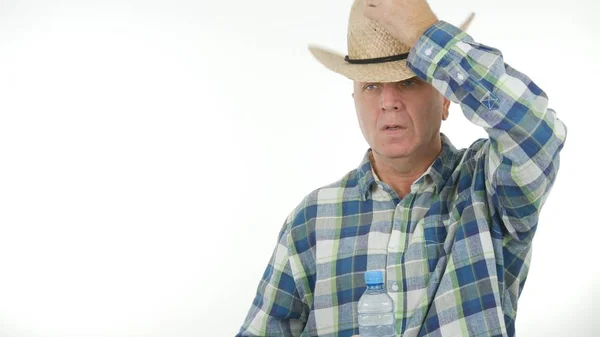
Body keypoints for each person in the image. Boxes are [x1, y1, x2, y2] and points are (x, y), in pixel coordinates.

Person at [236, 0, 567, 335]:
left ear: (446, 98)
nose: (388, 101)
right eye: (371, 86)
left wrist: (427, 35)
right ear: (355, 103)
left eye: (409, 81)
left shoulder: (487, 187)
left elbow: (538, 133)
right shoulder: (311, 220)